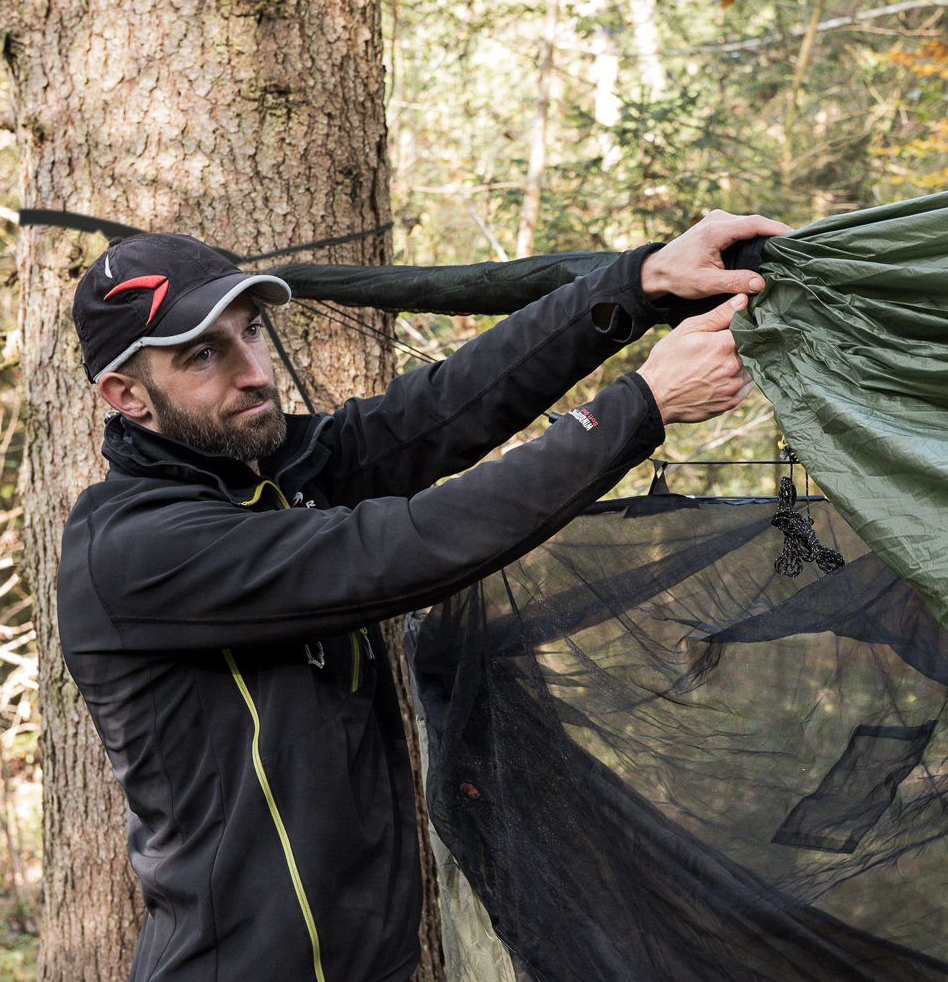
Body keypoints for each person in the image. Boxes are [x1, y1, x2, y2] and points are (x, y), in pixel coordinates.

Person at [57, 211, 789, 982]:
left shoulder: (272, 476)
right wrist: (636, 405)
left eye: (252, 331)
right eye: (204, 354)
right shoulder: (136, 550)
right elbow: (405, 548)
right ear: (127, 395)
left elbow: (435, 411)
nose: (254, 371)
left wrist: (636, 285)